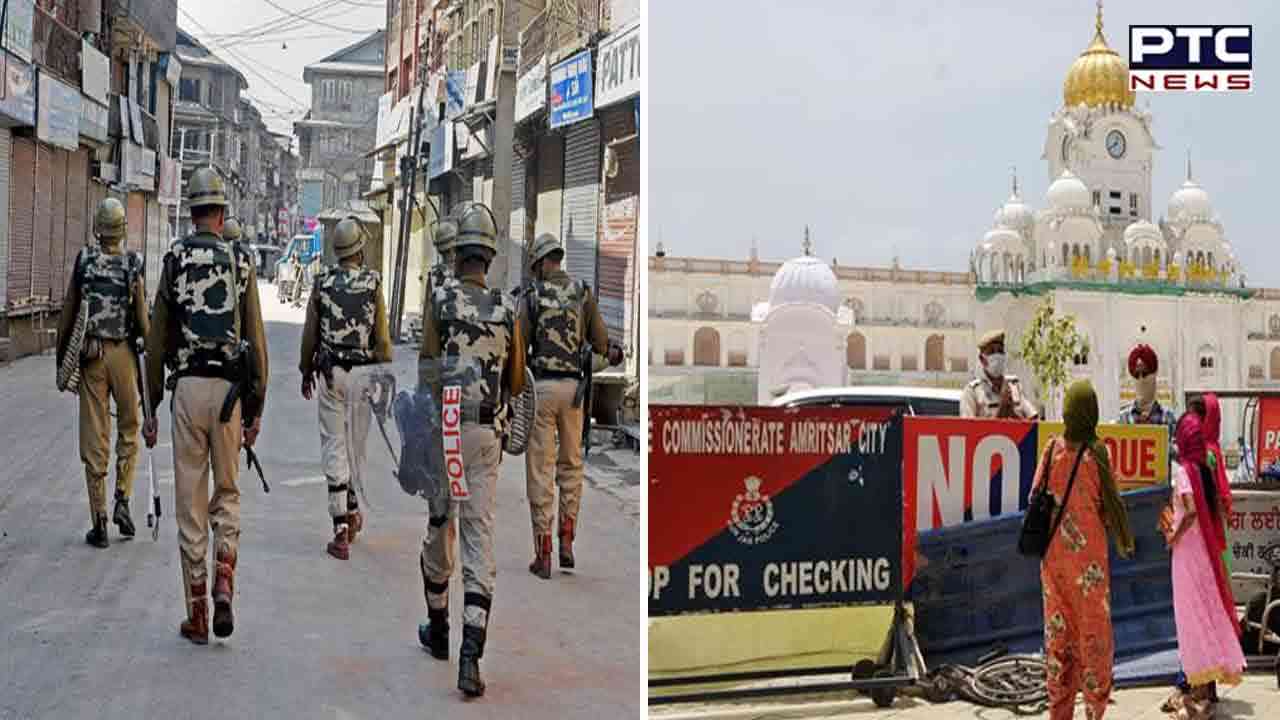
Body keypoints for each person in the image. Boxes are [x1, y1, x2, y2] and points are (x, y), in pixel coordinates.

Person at [142, 167, 269, 645]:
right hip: (230, 395)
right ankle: (224, 578)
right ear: (221, 212)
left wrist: (151, 404)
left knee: (190, 503)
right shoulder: (240, 260)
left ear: (192, 211)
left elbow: (156, 341)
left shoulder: (174, 258)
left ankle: (196, 613)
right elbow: (255, 339)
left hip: (188, 391)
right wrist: (255, 408)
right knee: (227, 493)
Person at [416, 202, 526, 697]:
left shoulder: (439, 300)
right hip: (485, 436)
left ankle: (438, 631)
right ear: (489, 257)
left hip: (448, 429)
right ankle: (470, 657)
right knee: (479, 537)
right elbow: (518, 380)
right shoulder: (507, 309)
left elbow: (427, 373)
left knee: (441, 526)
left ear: (458, 253)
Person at [518, 233, 622, 578]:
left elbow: (518, 347)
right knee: (572, 466)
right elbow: (603, 343)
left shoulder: (533, 295)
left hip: (542, 390)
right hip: (575, 391)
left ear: (539, 263)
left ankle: (543, 550)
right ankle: (566, 539)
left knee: (540, 469)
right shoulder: (582, 292)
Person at [1032, 380, 1134, 720]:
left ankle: (1059, 713)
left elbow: (1035, 498)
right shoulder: (1096, 453)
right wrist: (1123, 539)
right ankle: (1094, 711)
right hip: (1089, 567)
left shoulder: (1051, 449)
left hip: (1053, 565)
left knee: (1058, 641)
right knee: (1093, 639)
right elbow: (1112, 507)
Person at [56, 198, 150, 547]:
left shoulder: (84, 261)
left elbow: (69, 310)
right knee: (129, 428)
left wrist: (61, 358)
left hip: (92, 358)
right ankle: (123, 497)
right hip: (124, 355)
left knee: (95, 437)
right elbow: (142, 319)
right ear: (123, 229)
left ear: (97, 229)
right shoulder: (133, 263)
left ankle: (99, 520)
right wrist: (149, 369)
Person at [299, 217, 393, 559]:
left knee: (334, 445)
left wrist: (304, 369)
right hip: (364, 379)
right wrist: (383, 375)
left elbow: (311, 332)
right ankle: (351, 507)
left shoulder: (323, 282)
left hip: (331, 375)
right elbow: (382, 338)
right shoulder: (372, 283)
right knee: (356, 446)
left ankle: (340, 525)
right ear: (360, 248)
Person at [1163, 412, 1245, 719]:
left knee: (1190, 617)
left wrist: (1173, 535)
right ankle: (1202, 690)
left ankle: (1197, 692)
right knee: (1205, 612)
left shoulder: (1185, 471)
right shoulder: (1204, 469)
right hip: (1203, 551)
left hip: (1187, 552)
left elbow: (1192, 511)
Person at [960, 330, 1037, 419]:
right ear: (982, 359)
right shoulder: (972, 392)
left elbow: (1033, 421)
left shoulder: (1014, 385)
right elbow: (969, 430)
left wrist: (1012, 413)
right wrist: (1001, 411)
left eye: (1000, 351)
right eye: (992, 352)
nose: (997, 356)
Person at [1116, 344, 1178, 436]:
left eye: (1145, 373)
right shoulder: (1123, 419)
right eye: (1136, 375)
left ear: (1155, 373)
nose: (1141, 380)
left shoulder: (1169, 417)